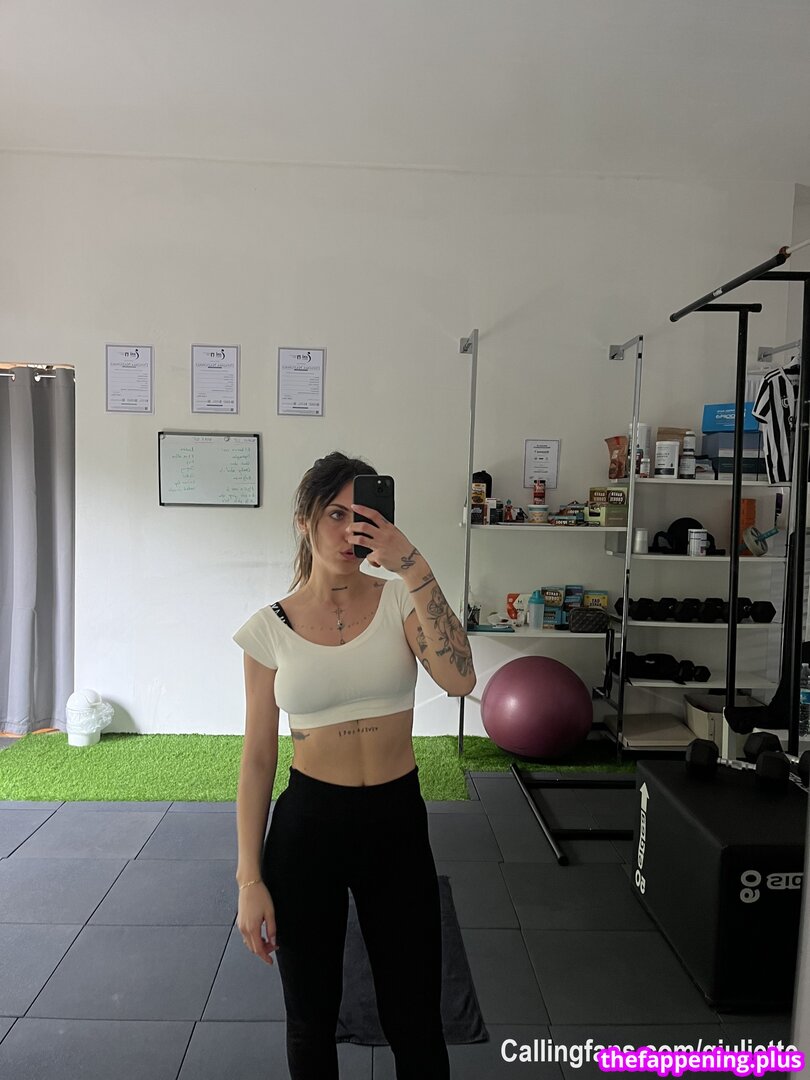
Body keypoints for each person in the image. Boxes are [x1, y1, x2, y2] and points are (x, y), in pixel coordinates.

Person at [232, 451, 477, 1080]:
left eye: (363, 516)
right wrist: (249, 880)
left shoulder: (400, 601)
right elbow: (258, 759)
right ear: (304, 521)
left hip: (395, 823)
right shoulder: (268, 629)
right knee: (310, 1019)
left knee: (415, 1019)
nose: (350, 531)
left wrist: (412, 563)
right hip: (308, 827)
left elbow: (459, 679)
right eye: (335, 515)